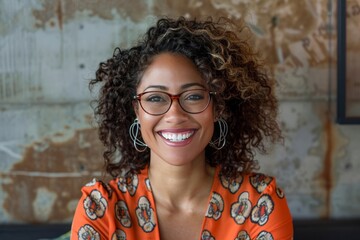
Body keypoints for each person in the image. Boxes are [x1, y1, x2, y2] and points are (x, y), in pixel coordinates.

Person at [71, 16, 293, 240]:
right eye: (155, 98)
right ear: (136, 111)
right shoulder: (101, 209)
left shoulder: (259, 204)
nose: (175, 115)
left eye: (194, 96)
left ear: (218, 108)